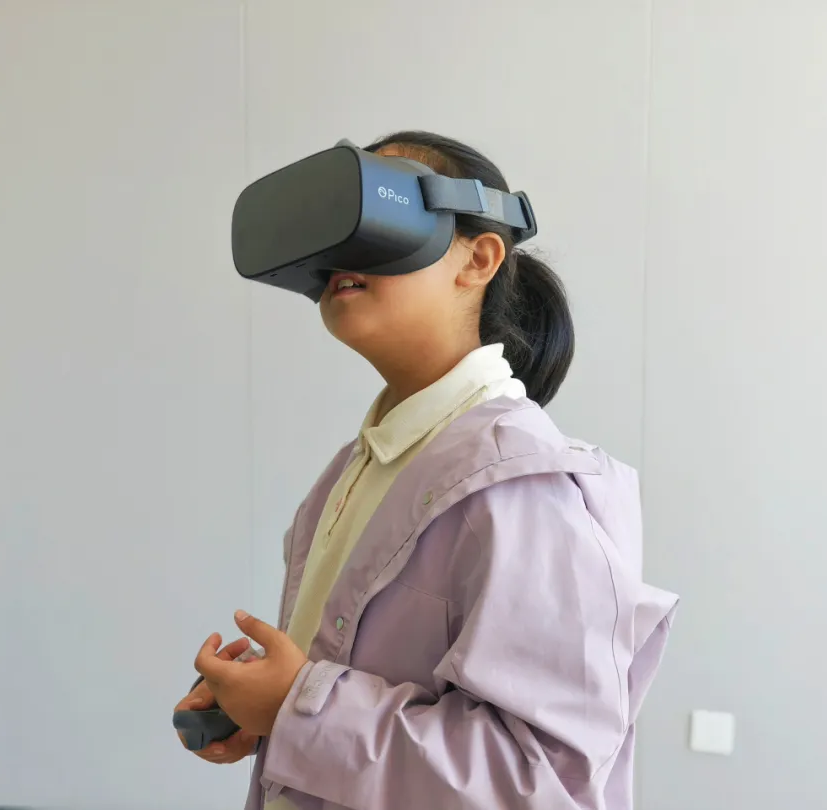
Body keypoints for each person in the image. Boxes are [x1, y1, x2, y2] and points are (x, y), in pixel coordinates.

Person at [174, 131, 679, 810]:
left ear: (479, 258)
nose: (342, 253)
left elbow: (538, 783)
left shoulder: (523, 485)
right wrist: (261, 710)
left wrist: (299, 708)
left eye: (377, 210)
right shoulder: (359, 469)